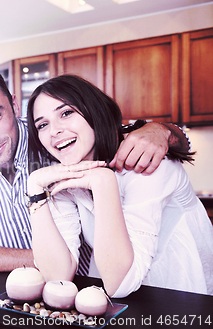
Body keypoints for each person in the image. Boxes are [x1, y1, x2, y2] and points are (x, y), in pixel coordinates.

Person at [0, 63, 191, 272]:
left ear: (14, 105)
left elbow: (115, 131)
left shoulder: (55, 140)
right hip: (26, 284)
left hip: (93, 281)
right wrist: (53, 260)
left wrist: (163, 131)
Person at [26, 74, 213, 297]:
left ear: (94, 111)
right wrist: (35, 189)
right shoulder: (69, 173)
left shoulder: (146, 162)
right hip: (129, 302)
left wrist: (103, 180)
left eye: (66, 113)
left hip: (181, 294)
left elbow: (120, 284)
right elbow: (57, 276)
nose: (54, 131)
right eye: (43, 124)